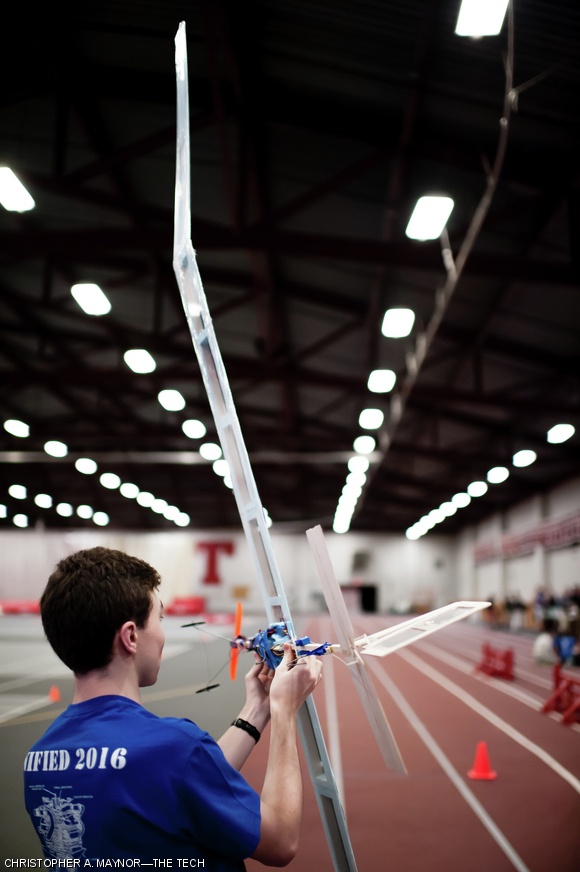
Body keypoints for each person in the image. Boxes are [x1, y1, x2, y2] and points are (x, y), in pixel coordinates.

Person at [23, 547, 323, 868]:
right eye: (159, 619)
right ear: (131, 637)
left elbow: (175, 788)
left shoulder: (39, 758)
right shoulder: (172, 746)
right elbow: (280, 840)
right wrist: (284, 711)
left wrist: (257, 709)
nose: (162, 632)